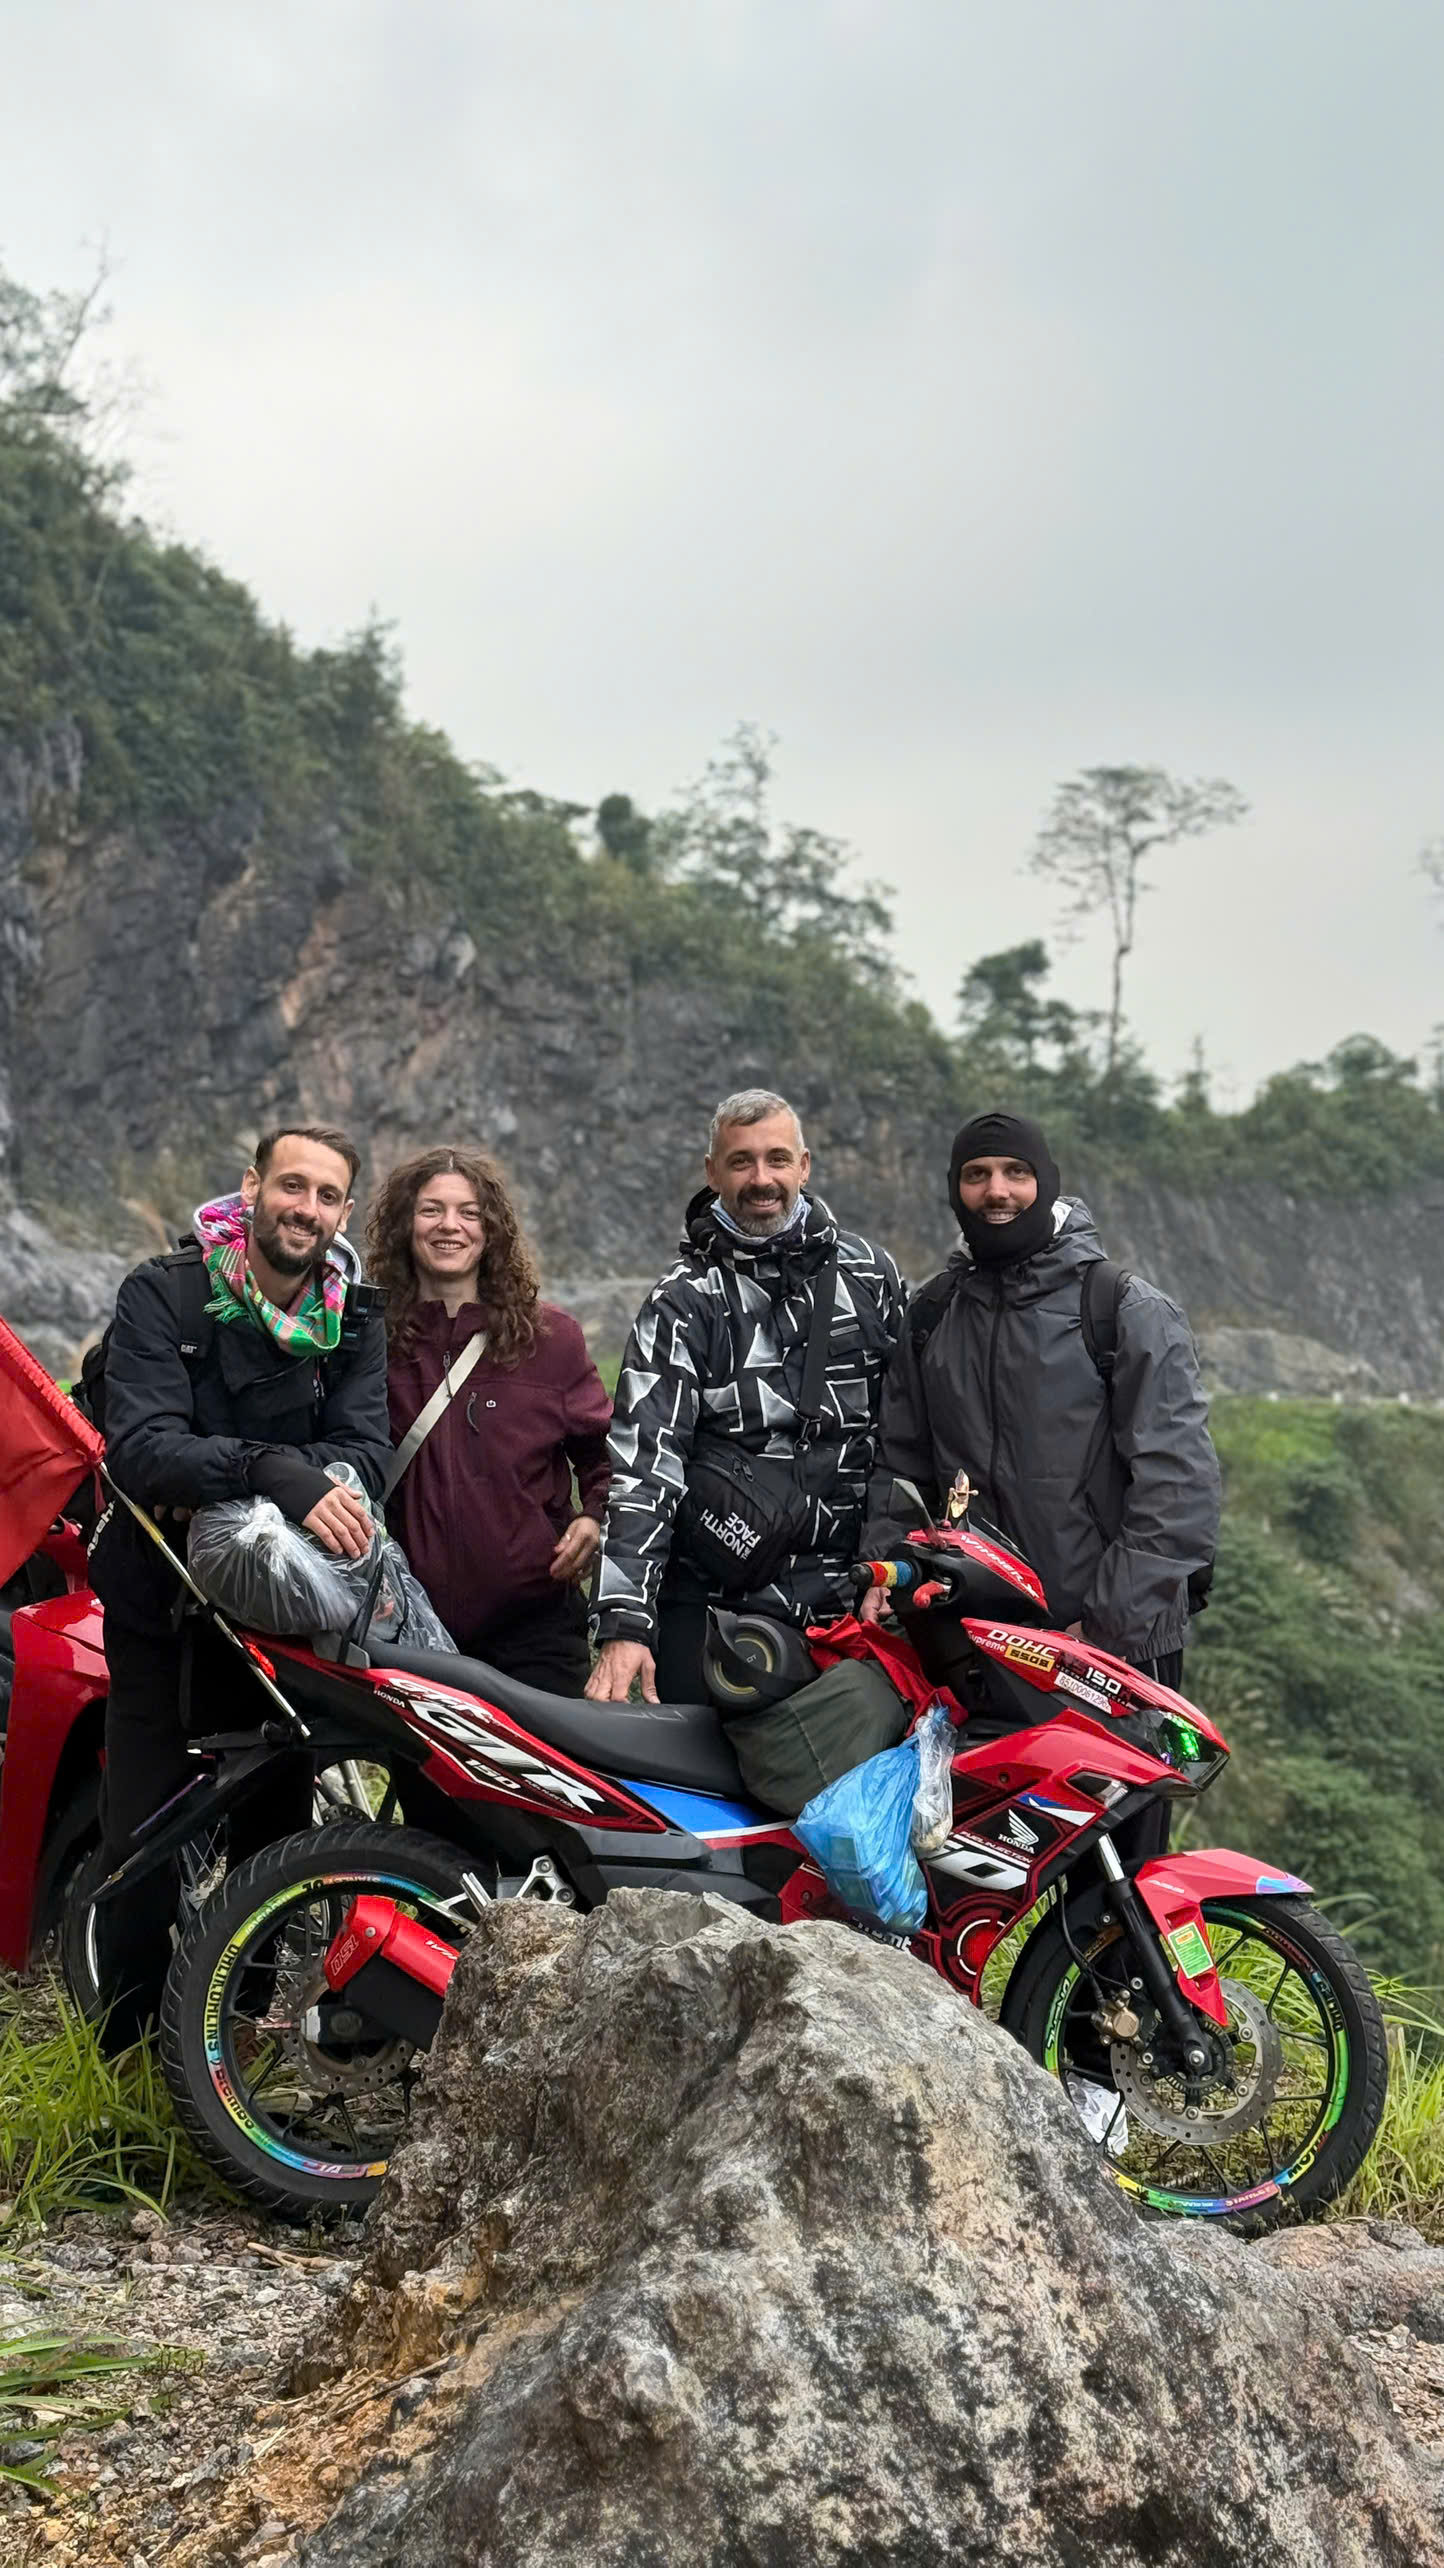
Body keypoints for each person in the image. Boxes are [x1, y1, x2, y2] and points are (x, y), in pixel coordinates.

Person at [88, 1125, 391, 2046]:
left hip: (279, 1632)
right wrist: (282, 1476)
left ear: (345, 1213)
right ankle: (128, 2063)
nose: (305, 1208)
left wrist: (232, 1478)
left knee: (274, 1849)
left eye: (326, 1195)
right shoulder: (164, 1295)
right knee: (138, 1851)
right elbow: (141, 1450)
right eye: (290, 1185)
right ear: (253, 1186)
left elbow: (366, 1455)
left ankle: (235, 2050)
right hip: (160, 1621)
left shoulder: (353, 1323)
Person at [862, 1110, 1221, 1696]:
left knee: (1106, 1793)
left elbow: (1178, 1489)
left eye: (1016, 1172)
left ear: (1046, 1182)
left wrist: (1098, 1633)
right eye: (976, 1174)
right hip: (970, 1637)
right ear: (956, 1188)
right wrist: (885, 1568)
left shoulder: (1123, 1309)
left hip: (1111, 1649)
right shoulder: (932, 1314)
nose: (996, 1191)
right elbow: (902, 1466)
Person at [586, 1089, 906, 1705]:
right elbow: (643, 1466)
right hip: (713, 1603)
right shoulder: (682, 1301)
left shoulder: (871, 1275)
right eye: (741, 1162)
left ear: (804, 1167)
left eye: (777, 1159)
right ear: (712, 1173)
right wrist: (626, 1623)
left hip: (848, 1609)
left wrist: (891, 1568)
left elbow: (906, 1441)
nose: (762, 1179)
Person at [367, 1145, 612, 1694]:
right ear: (406, 1224)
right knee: (429, 1784)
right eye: (431, 1210)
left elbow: (608, 1454)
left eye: (469, 1212)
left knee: (541, 1781)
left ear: (491, 1229)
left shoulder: (551, 1340)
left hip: (535, 1630)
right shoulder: (369, 1343)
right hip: (412, 1627)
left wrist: (594, 1517)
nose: (449, 1226)